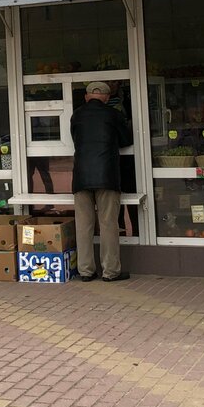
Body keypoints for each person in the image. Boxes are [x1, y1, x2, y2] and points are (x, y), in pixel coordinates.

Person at [71, 81, 133, 282]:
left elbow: (75, 139)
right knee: (108, 224)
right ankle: (110, 271)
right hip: (107, 176)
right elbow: (126, 140)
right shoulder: (113, 114)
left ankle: (85, 271)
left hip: (81, 177)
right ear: (106, 98)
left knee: (83, 226)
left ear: (86, 97)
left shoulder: (77, 115)